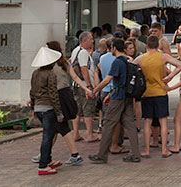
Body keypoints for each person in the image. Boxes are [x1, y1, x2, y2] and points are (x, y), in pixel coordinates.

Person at [30, 45, 84, 175]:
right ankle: (43, 165)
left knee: (50, 133)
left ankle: (47, 160)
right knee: (47, 137)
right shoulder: (50, 74)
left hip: (38, 107)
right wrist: (59, 113)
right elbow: (53, 95)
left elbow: (32, 92)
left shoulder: (35, 73)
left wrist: (33, 107)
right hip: (48, 108)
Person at [89, 38, 142, 164]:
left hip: (118, 97)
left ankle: (102, 154)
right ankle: (135, 154)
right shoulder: (128, 60)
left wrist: (95, 90)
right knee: (130, 124)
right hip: (127, 96)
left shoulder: (117, 62)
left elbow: (108, 80)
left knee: (108, 124)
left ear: (114, 48)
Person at [136, 35, 181, 158]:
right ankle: (164, 150)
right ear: (158, 45)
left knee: (147, 122)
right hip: (161, 92)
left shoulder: (141, 59)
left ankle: (146, 150)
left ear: (147, 45)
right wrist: (170, 76)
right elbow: (180, 65)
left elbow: (131, 67)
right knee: (163, 121)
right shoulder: (163, 57)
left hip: (146, 93)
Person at [70, 31, 100, 142]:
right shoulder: (83, 53)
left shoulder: (75, 51)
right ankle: (89, 134)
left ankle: (76, 133)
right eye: (91, 39)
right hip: (83, 85)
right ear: (84, 41)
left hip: (76, 85)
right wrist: (89, 85)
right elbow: (84, 69)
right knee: (88, 109)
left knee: (77, 110)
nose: (92, 41)